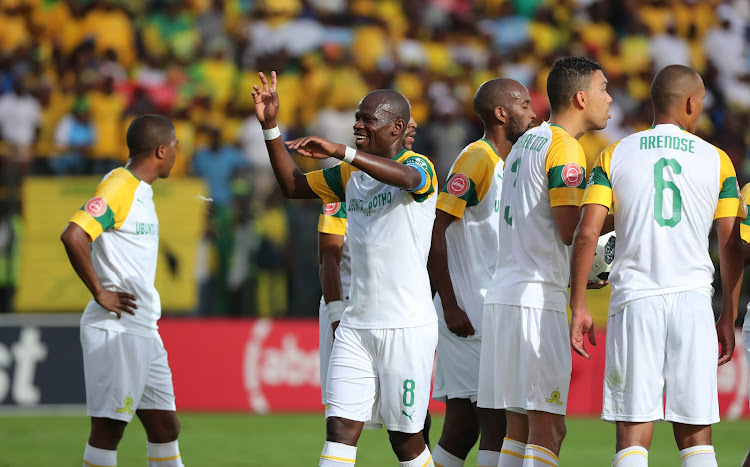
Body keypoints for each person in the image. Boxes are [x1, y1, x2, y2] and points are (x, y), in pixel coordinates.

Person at [252, 71, 438, 467]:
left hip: (406, 325)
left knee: (406, 440)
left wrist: (341, 151)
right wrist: (270, 128)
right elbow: (293, 186)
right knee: (339, 430)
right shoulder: (348, 175)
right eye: (357, 116)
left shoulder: (418, 164)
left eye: (367, 118)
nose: (357, 124)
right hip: (356, 325)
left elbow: (408, 179)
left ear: (396, 127)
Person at [569, 64, 745, 467]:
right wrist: (728, 313)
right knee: (697, 436)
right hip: (693, 302)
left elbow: (587, 232)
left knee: (633, 434)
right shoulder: (718, 160)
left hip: (636, 301)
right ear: (689, 103)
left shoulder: (615, 153)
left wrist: (578, 303)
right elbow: (730, 243)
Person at [478, 56, 612, 467]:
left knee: (516, 431)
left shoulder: (525, 142)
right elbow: (571, 228)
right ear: (580, 97)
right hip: (538, 299)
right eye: (604, 89)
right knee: (548, 428)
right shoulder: (564, 147)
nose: (610, 99)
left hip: (506, 294)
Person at [60, 114, 184, 467]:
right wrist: (101, 292)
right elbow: (74, 235)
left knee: (165, 426)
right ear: (162, 150)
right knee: (109, 429)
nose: (178, 153)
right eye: (176, 146)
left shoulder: (141, 192)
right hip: (117, 328)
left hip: (144, 328)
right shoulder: (119, 184)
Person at [427, 78, 536, 467]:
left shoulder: (509, 164)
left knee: (462, 427)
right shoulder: (478, 159)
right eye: (524, 104)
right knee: (499, 425)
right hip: (472, 312)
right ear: (501, 113)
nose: (533, 111)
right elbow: (435, 228)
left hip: (485, 309)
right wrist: (452, 304)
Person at [317, 116, 434, 442]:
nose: (411, 133)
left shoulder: (418, 173)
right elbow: (328, 256)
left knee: (410, 432)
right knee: (340, 426)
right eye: (406, 128)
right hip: (350, 314)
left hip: (402, 318)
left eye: (413, 129)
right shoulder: (345, 181)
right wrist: (336, 314)